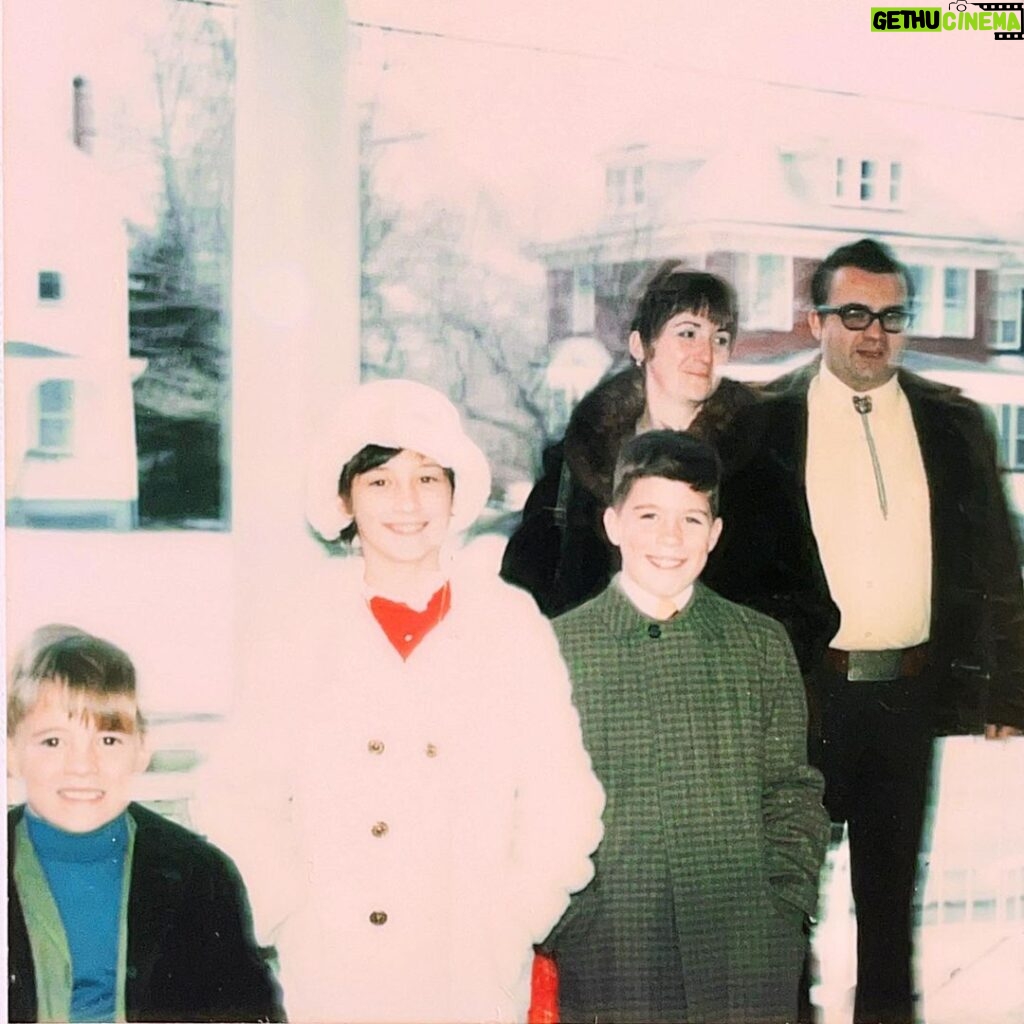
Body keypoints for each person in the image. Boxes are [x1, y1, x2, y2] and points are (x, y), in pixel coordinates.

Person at [200, 378, 605, 1023]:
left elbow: (565, 798)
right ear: (346, 497)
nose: (407, 502)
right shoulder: (294, 625)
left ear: (455, 491)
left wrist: (516, 913)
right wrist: (290, 913)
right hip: (336, 971)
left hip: (470, 970)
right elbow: (236, 796)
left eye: (427, 478)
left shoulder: (508, 621)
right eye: (380, 480)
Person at [706, 237, 1024, 1024]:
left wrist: (1007, 683)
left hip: (905, 705)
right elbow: (729, 573)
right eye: (854, 314)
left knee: (890, 920)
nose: (873, 333)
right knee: (786, 913)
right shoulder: (758, 426)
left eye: (891, 317)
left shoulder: (954, 423)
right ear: (816, 321)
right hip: (799, 703)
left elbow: (996, 558)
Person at [544, 430, 829, 1024]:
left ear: (716, 534)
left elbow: (792, 792)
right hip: (608, 952)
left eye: (692, 519)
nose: (670, 539)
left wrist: (785, 905)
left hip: (744, 951)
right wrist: (568, 921)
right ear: (613, 523)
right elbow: (529, 805)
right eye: (649, 515)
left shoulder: (759, 645)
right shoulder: (555, 650)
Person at [6, 624, 284, 1024]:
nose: (82, 766)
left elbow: (249, 1010)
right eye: (53, 742)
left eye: (108, 741)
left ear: (141, 751)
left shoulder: (200, 876)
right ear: (13, 753)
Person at [500, 263, 758, 617]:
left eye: (721, 338)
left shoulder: (755, 461)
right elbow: (525, 588)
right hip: (591, 665)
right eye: (688, 333)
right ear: (640, 345)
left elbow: (794, 602)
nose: (706, 353)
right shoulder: (577, 460)